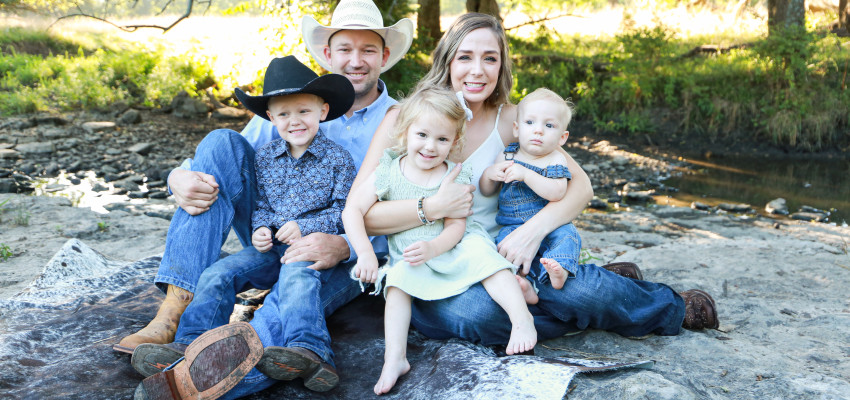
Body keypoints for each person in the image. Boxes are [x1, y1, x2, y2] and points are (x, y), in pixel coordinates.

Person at [353, 12, 719, 363]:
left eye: (490, 58)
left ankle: (669, 306)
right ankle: (597, 299)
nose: (477, 70)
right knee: (477, 316)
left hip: (507, 254)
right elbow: (363, 215)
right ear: (447, 61)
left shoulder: (515, 120)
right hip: (431, 264)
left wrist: (532, 232)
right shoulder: (404, 118)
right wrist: (432, 208)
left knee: (580, 291)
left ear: (502, 66)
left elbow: (582, 188)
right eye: (465, 56)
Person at [127, 0, 416, 398]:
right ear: (327, 54)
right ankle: (178, 307)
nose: (356, 60)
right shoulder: (294, 103)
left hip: (345, 248)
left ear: (384, 56)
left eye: (368, 50)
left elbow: (410, 202)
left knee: (288, 300)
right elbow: (226, 159)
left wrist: (345, 245)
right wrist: (178, 175)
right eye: (345, 49)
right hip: (271, 235)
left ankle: (196, 380)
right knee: (220, 140)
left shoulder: (401, 121)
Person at [133, 54, 356, 387]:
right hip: (270, 249)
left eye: (304, 111)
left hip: (311, 248)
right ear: (270, 117)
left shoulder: (338, 159)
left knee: (298, 278)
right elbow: (262, 204)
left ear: (323, 111)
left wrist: (307, 226)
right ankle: (189, 343)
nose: (295, 121)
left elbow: (345, 210)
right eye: (284, 114)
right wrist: (260, 230)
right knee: (218, 274)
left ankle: (311, 351)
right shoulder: (266, 156)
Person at [342, 87, 536, 395]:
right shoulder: (389, 171)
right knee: (397, 281)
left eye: (442, 139)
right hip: (415, 255)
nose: (431, 146)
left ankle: (521, 317)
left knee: (481, 253)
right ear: (404, 133)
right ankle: (395, 358)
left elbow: (457, 228)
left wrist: (435, 247)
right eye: (422, 135)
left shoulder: (454, 174)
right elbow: (353, 209)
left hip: (453, 245)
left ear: (455, 142)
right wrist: (365, 252)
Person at [479, 87, 580, 298]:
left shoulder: (555, 159)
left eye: (549, 125)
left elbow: (557, 192)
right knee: (503, 250)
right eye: (530, 122)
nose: (538, 130)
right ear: (516, 128)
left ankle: (559, 269)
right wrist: (489, 174)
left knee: (568, 236)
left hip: (550, 226)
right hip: (512, 227)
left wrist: (526, 175)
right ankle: (524, 284)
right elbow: (487, 191)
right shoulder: (508, 155)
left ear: (562, 137)